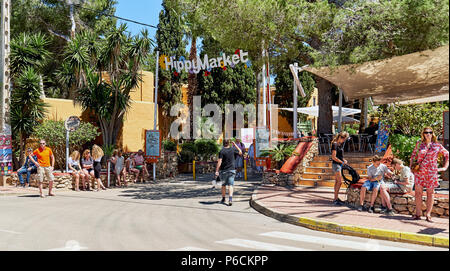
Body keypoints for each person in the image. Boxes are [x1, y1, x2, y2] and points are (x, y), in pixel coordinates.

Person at [410, 127, 449, 222]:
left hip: (431, 172)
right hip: (419, 172)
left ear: (433, 134)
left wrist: (445, 167)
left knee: (430, 193)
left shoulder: (437, 145)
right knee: (418, 193)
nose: (428, 134)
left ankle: (428, 214)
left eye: (430, 132)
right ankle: (418, 213)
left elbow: (447, 154)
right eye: (426, 132)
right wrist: (411, 167)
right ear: (423, 134)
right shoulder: (419, 144)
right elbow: (413, 155)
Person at [215, 139, 242, 206]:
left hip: (224, 171)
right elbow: (240, 152)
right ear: (229, 143)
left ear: (223, 143)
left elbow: (219, 161)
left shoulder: (222, 151)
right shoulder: (233, 149)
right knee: (230, 185)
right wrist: (235, 145)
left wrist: (217, 171)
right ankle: (230, 199)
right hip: (232, 170)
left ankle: (224, 198)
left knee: (223, 185)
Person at [330, 131, 349, 206]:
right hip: (336, 165)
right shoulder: (335, 144)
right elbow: (333, 157)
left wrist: (343, 160)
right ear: (341, 137)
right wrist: (341, 162)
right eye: (344, 139)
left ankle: (336, 198)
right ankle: (335, 199)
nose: (344, 140)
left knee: (337, 182)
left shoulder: (339, 144)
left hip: (338, 165)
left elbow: (339, 155)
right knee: (339, 182)